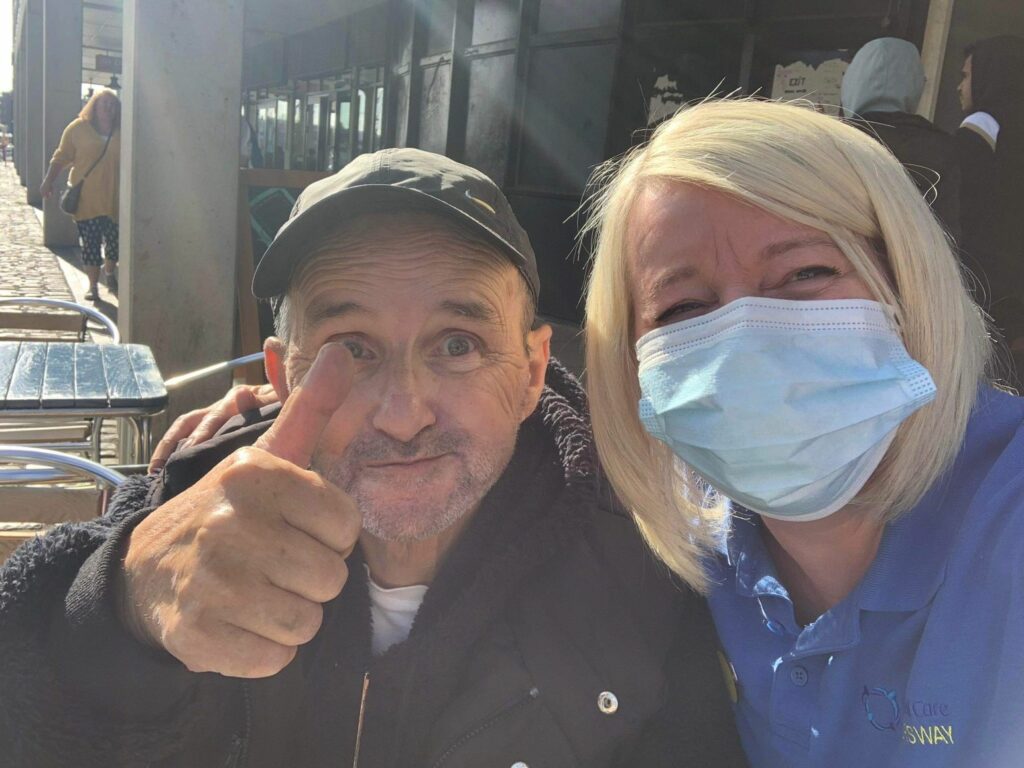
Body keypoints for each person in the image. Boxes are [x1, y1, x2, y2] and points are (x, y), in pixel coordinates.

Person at [0, 148, 745, 767]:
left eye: (458, 344)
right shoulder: (196, 496)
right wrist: (121, 603)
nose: (403, 413)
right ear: (283, 376)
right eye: (351, 349)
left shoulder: (642, 561)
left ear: (530, 371)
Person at [583, 98, 1023, 767]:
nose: (747, 347)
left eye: (806, 273)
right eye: (684, 306)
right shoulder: (688, 538)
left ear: (905, 280)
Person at [841, 37, 961, 241]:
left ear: (854, 81)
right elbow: (949, 232)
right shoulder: (942, 148)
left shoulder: (835, 141)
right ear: (915, 83)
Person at [954, 36, 1024, 353]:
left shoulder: (982, 124)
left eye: (966, 76)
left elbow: (966, 200)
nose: (959, 87)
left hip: (991, 283)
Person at [40, 89, 121, 301]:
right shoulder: (78, 128)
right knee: (91, 244)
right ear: (94, 106)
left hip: (116, 199)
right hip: (87, 200)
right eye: (104, 103)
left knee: (115, 244)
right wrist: (48, 181)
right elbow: (61, 156)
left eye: (113, 104)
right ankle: (93, 286)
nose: (109, 108)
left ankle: (109, 273)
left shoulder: (123, 130)